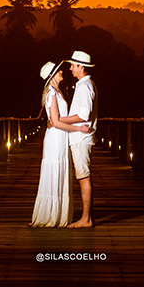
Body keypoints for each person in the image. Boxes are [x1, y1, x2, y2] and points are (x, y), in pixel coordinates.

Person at [30, 61, 91, 227]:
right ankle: (50, 214)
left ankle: (58, 213)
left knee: (60, 171)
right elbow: (56, 122)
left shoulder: (57, 92)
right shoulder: (51, 93)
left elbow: (56, 119)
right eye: (58, 71)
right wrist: (78, 128)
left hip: (61, 136)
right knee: (55, 170)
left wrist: (59, 123)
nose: (62, 72)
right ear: (52, 76)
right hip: (56, 137)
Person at [60, 50, 97, 228]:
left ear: (81, 67)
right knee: (83, 176)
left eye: (73, 65)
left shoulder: (84, 86)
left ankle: (86, 219)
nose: (70, 68)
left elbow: (83, 115)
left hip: (81, 138)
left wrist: (60, 120)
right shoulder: (85, 85)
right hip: (81, 137)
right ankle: (86, 217)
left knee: (83, 177)